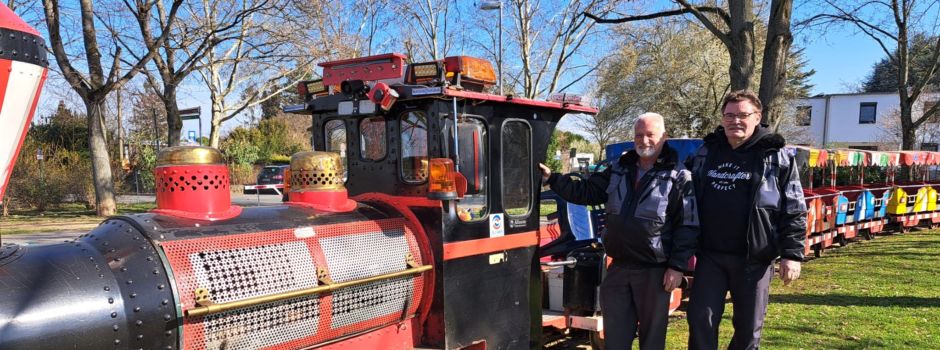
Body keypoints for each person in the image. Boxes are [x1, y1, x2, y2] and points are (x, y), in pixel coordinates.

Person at [539, 113, 698, 350]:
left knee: (652, 340)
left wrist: (677, 267)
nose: (644, 141)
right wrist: (553, 179)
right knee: (615, 338)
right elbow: (587, 192)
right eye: (638, 135)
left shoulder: (679, 177)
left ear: (664, 137)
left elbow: (688, 225)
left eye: (650, 135)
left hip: (654, 271)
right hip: (618, 268)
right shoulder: (618, 169)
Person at [685, 90, 807, 350]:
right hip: (710, 256)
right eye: (729, 115)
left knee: (748, 330)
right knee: (700, 321)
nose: (735, 121)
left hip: (755, 259)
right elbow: (684, 196)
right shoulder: (706, 152)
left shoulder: (777, 156)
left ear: (757, 117)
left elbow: (794, 207)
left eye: (743, 115)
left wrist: (792, 254)